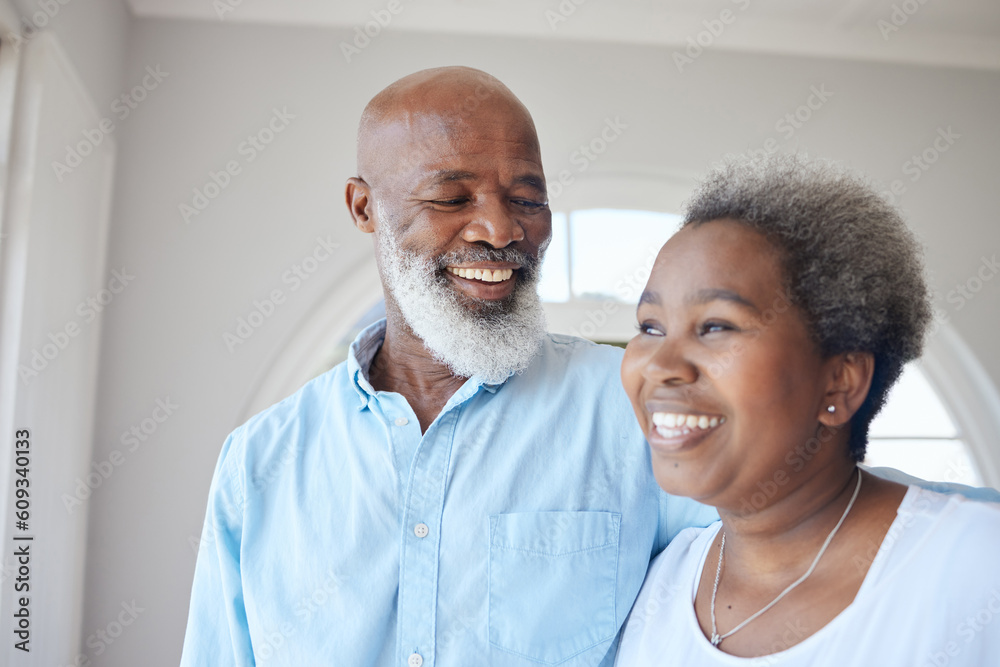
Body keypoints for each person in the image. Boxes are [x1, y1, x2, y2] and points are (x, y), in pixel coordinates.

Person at [179, 66, 719, 667]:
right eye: (450, 198)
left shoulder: (633, 411)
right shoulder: (258, 463)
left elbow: (751, 597)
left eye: (527, 199)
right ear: (365, 208)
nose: (500, 229)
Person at [616, 153, 1000, 666]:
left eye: (716, 327)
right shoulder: (663, 586)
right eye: (650, 327)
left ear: (841, 380)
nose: (662, 364)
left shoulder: (975, 564)